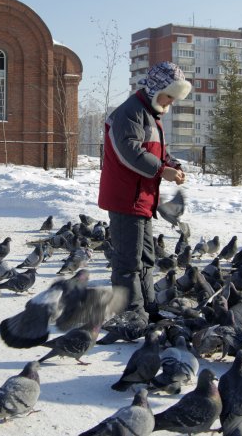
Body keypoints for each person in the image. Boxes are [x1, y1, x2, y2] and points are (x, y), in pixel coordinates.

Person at [97, 61, 192, 320]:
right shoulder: (129, 113)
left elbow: (156, 151)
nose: (170, 103)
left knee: (145, 257)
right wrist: (162, 170)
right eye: (169, 96)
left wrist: (172, 164)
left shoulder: (150, 114)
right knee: (128, 261)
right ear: (156, 88)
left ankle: (147, 309)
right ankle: (130, 313)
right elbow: (129, 151)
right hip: (126, 198)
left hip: (142, 199)